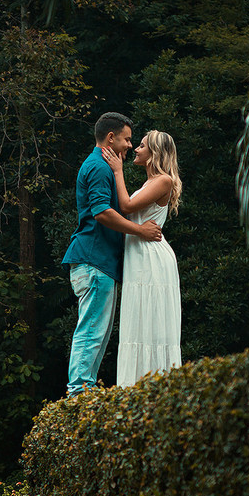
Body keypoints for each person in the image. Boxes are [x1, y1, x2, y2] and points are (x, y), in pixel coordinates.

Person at [62, 113, 162, 397]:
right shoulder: (99, 167)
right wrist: (140, 231)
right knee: (92, 331)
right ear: (111, 138)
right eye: (128, 139)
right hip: (94, 261)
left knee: (98, 332)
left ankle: (82, 391)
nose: (130, 145)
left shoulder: (101, 165)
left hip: (97, 262)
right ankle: (78, 394)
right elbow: (102, 212)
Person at [100, 129, 183, 386]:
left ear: (154, 153)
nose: (135, 148)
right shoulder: (148, 183)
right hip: (139, 256)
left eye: (142, 145)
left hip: (152, 259)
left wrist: (117, 171)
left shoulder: (163, 180)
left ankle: (157, 392)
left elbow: (125, 207)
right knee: (137, 324)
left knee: (152, 325)